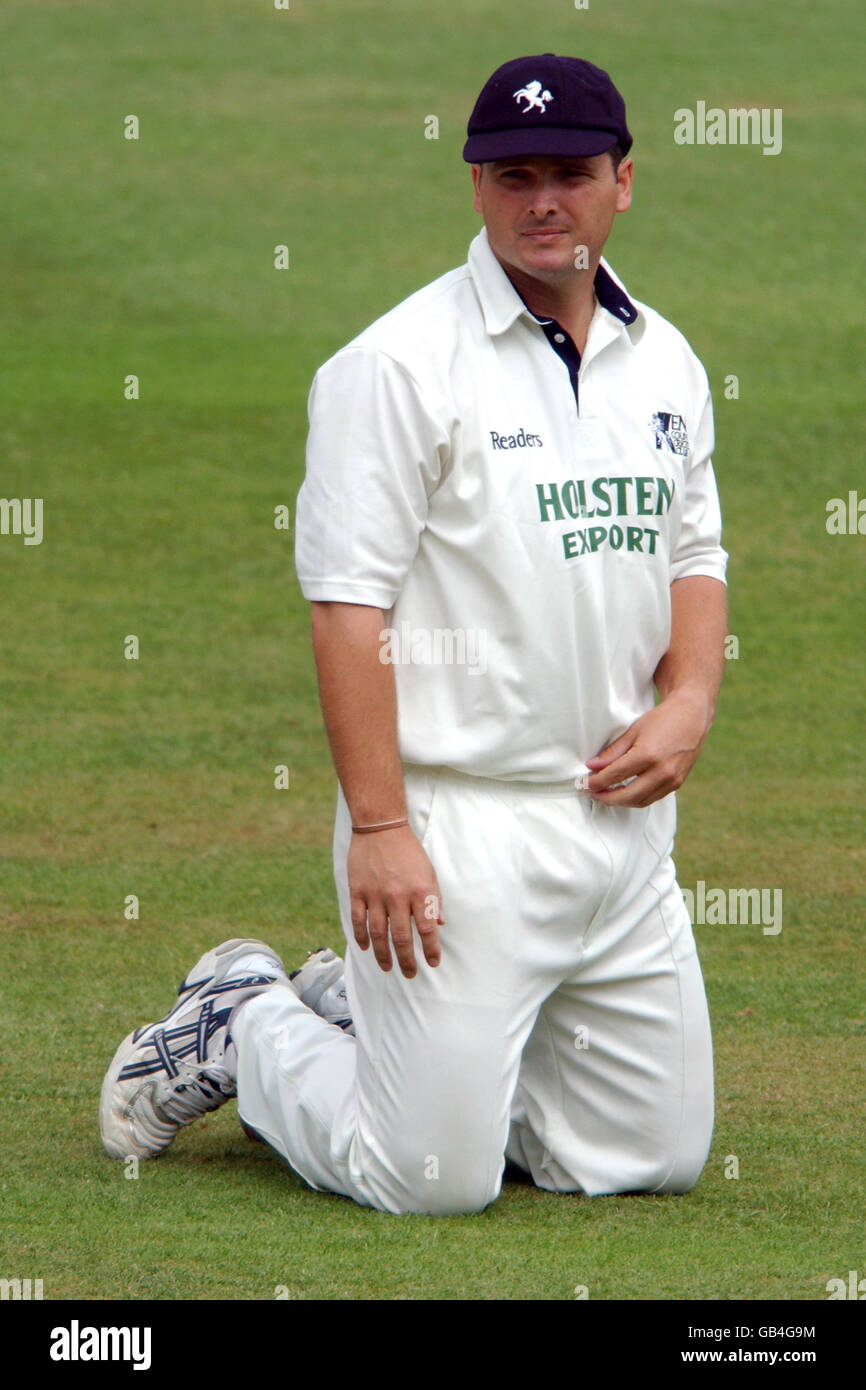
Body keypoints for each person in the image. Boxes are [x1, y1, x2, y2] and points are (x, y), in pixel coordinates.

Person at [100, 53, 728, 1216]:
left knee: (644, 1157)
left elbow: (694, 554)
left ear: (623, 181)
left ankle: (383, 1027)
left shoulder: (668, 363)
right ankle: (243, 1024)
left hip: (618, 827)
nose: (543, 201)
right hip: (454, 825)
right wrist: (379, 826)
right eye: (512, 175)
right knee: (430, 1179)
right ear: (476, 185)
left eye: (572, 173)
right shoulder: (393, 367)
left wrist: (688, 700)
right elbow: (348, 606)